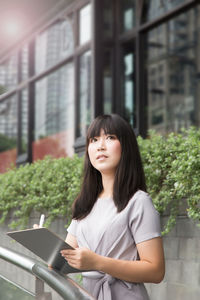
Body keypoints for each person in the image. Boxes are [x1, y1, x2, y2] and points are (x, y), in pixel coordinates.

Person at [61, 114, 165, 300]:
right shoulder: (85, 202)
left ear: (126, 146)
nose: (100, 146)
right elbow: (65, 256)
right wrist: (42, 241)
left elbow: (155, 271)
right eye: (94, 140)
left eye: (110, 137)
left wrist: (98, 262)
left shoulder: (138, 201)